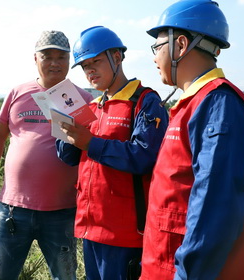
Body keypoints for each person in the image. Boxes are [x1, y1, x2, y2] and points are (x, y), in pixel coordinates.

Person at [140, 0, 244, 279]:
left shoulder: (218, 106)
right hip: (162, 264)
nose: (153, 57)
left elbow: (215, 212)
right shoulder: (191, 104)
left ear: (181, 45)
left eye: (157, 46)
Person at [55, 26, 168, 280]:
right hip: (89, 229)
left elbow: (144, 157)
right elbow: (69, 157)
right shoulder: (91, 107)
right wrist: (64, 129)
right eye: (84, 66)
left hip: (125, 233)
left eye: (95, 61)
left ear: (117, 57)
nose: (90, 71)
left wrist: (91, 143)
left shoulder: (145, 101)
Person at [0, 30, 94, 280]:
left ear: (69, 62)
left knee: (65, 276)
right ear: (35, 59)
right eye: (47, 57)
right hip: (13, 208)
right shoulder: (18, 93)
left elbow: (93, 148)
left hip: (62, 211)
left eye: (61, 58)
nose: (54, 63)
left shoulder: (82, 99)